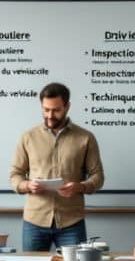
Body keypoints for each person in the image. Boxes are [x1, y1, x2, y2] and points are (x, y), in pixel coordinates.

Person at [10, 82, 105, 251]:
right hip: (35, 222)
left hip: (71, 222)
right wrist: (27, 185)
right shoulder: (28, 137)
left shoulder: (85, 138)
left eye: (56, 110)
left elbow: (98, 177)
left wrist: (80, 187)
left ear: (67, 107)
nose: (50, 115)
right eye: (46, 109)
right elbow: (15, 175)